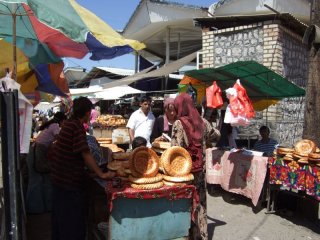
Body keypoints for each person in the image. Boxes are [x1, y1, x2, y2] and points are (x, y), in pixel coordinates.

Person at [50, 97, 115, 240]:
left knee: (61, 223)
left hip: (59, 180)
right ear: (86, 113)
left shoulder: (68, 124)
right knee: (72, 225)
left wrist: (90, 172)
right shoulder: (76, 126)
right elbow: (85, 153)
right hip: (68, 184)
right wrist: (101, 174)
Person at [171, 93, 212, 240]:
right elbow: (216, 134)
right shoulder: (203, 122)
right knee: (201, 203)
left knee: (186, 204)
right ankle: (201, 235)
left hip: (185, 174)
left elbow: (174, 149)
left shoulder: (179, 124)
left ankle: (187, 235)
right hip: (201, 171)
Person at [26, 112, 66, 213]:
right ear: (62, 121)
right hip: (38, 152)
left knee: (41, 180)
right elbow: (60, 140)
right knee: (37, 181)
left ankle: (39, 207)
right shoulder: (55, 125)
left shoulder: (50, 125)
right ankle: (35, 208)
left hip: (36, 151)